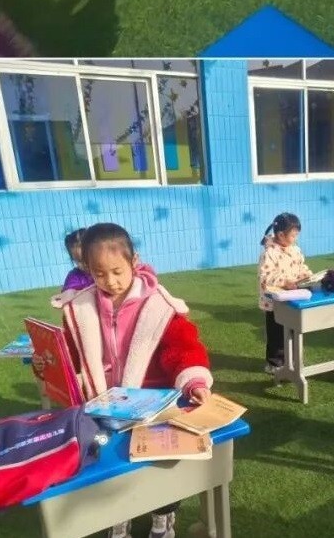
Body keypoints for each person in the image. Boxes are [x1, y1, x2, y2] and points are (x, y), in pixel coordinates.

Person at [60, 222, 212, 538]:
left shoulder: (158, 305)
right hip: (103, 408)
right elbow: (70, 353)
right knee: (110, 465)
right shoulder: (80, 307)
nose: (110, 281)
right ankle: (120, 517)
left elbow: (184, 348)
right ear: (87, 270)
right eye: (99, 274)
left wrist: (195, 382)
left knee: (160, 466)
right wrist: (50, 363)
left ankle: (163, 517)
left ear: (134, 261)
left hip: (154, 406)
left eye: (117, 271)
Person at [257, 213, 308, 375]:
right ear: (280, 235)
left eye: (296, 235)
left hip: (293, 299)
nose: (295, 238)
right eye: (293, 235)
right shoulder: (269, 253)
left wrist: (308, 277)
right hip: (274, 303)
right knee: (277, 334)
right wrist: (285, 282)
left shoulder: (295, 250)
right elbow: (265, 277)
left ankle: (292, 360)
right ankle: (274, 363)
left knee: (293, 330)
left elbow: (301, 267)